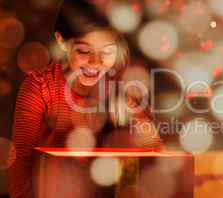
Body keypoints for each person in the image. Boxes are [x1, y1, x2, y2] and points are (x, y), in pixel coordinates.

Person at [8, 0, 166, 197]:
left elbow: (152, 148)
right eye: (84, 51)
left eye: (107, 51)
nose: (97, 62)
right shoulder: (40, 86)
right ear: (62, 41)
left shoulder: (122, 88)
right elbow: (20, 156)